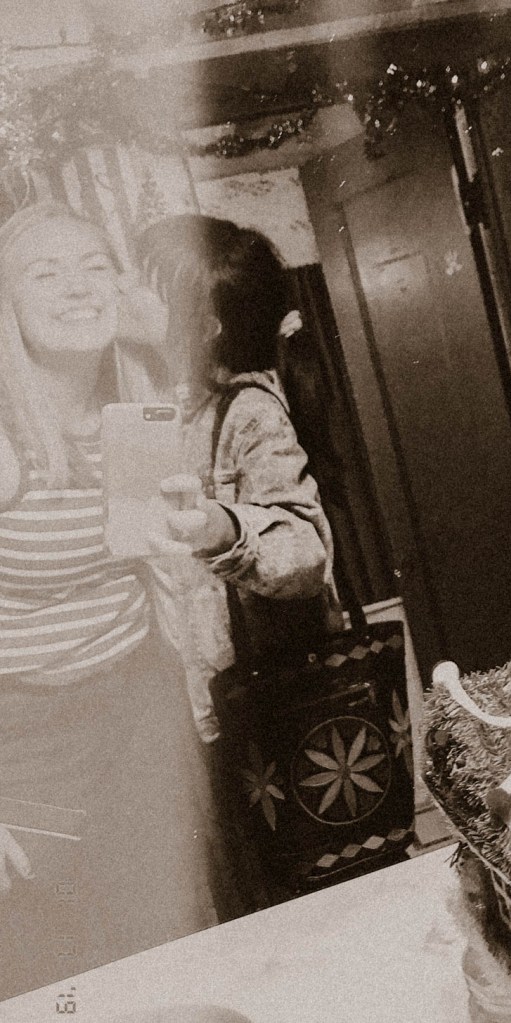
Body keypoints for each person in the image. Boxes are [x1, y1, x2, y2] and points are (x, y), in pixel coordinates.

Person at [0, 201, 220, 1002]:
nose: (78, 285)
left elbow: (147, 556)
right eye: (45, 272)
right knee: (52, 975)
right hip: (22, 735)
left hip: (137, 704)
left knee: (169, 944)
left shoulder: (134, 410)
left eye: (96, 265)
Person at [132, 215, 344, 744]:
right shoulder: (173, 404)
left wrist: (223, 528)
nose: (122, 288)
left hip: (256, 705)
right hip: (198, 697)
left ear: (204, 327)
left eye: (144, 282)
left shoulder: (248, 410)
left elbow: (304, 552)